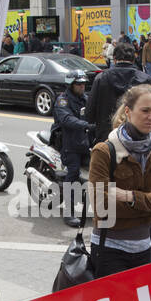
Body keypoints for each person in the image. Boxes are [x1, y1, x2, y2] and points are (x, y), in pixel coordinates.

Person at [87, 84, 151, 278]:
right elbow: (101, 206)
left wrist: (129, 196)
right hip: (109, 249)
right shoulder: (104, 151)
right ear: (128, 111)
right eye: (145, 111)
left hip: (145, 248)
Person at [87, 41, 151, 146]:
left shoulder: (101, 78)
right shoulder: (146, 80)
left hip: (106, 139)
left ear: (114, 59)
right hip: (137, 140)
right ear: (133, 59)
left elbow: (89, 112)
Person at [53, 73, 91, 227]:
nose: (82, 87)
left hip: (84, 141)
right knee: (73, 172)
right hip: (68, 143)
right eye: (78, 84)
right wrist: (87, 125)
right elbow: (66, 119)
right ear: (71, 85)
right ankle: (68, 212)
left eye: (83, 84)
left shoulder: (86, 99)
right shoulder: (63, 100)